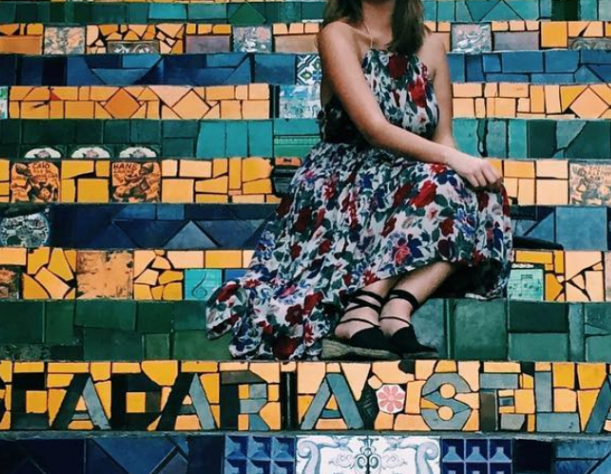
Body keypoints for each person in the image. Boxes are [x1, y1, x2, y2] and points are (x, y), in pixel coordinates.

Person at [205, 0, 513, 360]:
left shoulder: (430, 46)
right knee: (447, 179)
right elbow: (374, 129)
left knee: (480, 194)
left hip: (410, 176)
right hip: (344, 179)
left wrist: (467, 172)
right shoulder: (338, 35)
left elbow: (442, 137)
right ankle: (361, 309)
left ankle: (398, 307)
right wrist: (452, 162)